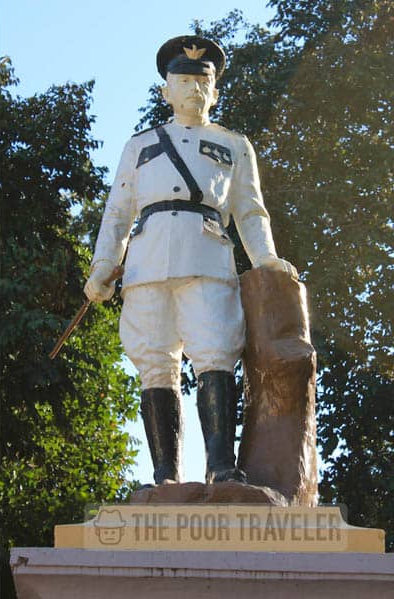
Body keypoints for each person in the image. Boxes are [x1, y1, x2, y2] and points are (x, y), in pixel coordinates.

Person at [84, 36, 296, 486]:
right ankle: (165, 475)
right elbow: (118, 212)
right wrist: (103, 266)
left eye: (203, 83)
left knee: (215, 354)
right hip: (147, 264)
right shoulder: (138, 145)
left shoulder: (234, 145)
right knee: (154, 362)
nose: (194, 90)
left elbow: (250, 211)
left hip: (207, 257)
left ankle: (221, 466)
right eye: (183, 81)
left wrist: (267, 261)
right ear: (167, 90)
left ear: (215, 91)